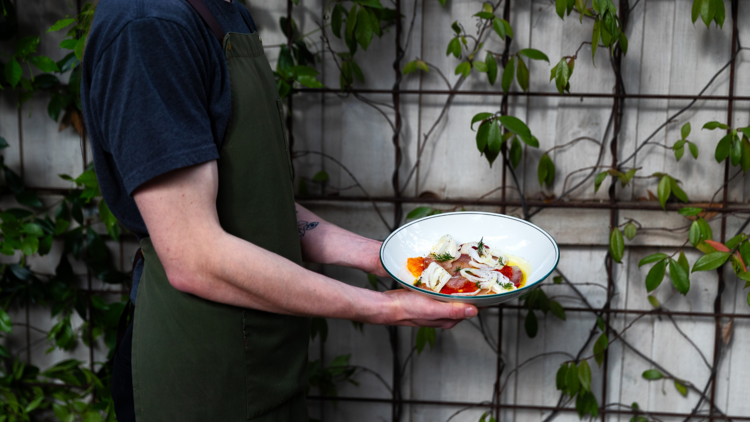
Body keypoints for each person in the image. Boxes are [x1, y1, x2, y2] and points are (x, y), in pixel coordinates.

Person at [81, 0, 478, 420]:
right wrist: (388, 308)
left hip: (270, 357)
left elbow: (251, 200)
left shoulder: (221, 10)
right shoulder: (149, 27)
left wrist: (386, 258)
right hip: (203, 376)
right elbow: (193, 256)